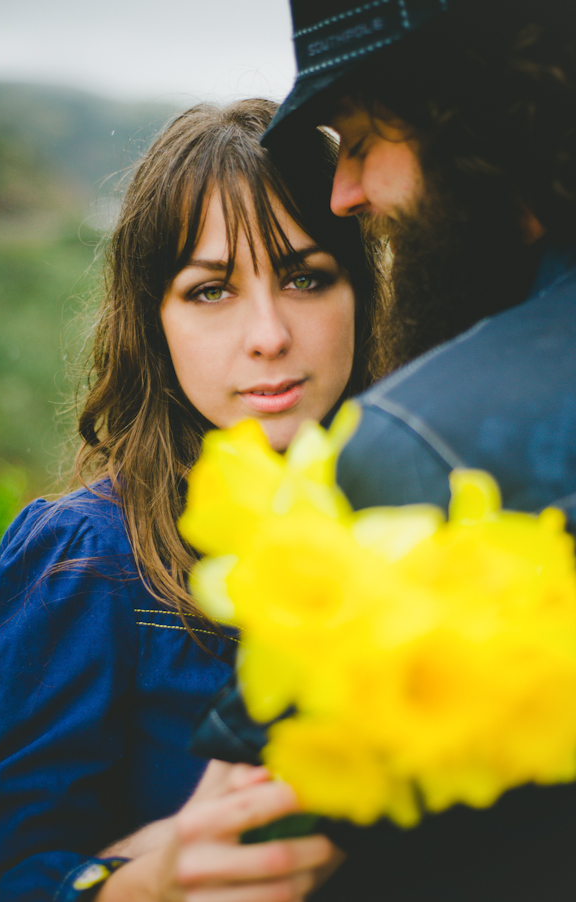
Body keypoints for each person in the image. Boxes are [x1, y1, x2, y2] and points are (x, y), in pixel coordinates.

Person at [194, 1, 576, 899]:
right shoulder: (77, 550)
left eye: (362, 139)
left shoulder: (418, 448)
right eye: (209, 289)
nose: (344, 193)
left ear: (479, 121)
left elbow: (240, 856)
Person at [0, 98, 379, 901]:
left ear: (360, 298)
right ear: (153, 322)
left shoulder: (426, 523)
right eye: (210, 290)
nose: (268, 333)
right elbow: (5, 873)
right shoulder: (84, 556)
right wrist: (144, 882)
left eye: (306, 277)